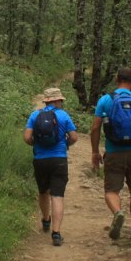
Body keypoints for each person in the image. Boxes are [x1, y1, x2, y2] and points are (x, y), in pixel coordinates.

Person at [90, 68, 131, 243]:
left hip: (114, 151)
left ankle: (117, 212)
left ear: (116, 79)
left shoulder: (106, 100)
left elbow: (95, 128)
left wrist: (95, 152)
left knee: (111, 191)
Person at [24, 87, 78, 246]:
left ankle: (46, 220)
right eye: (60, 100)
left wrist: (36, 144)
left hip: (40, 159)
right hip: (59, 159)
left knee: (43, 192)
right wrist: (65, 144)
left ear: (46, 101)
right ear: (57, 101)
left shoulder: (35, 115)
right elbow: (74, 137)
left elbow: (27, 138)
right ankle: (56, 233)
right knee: (57, 195)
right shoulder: (63, 115)